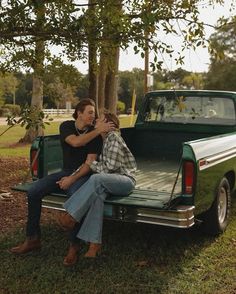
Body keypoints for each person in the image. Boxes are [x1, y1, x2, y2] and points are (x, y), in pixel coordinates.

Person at [10, 99, 114, 254]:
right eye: (90, 112)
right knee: (33, 192)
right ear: (79, 113)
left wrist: (72, 179)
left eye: (94, 113)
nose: (93, 116)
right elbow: (75, 142)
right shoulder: (66, 126)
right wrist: (98, 131)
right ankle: (32, 239)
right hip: (66, 170)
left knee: (76, 196)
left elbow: (90, 163)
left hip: (85, 174)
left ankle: (74, 244)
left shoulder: (95, 135)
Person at [58, 110, 137, 266]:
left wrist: (92, 164)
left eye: (99, 120)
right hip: (110, 181)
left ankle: (71, 215)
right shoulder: (104, 140)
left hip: (125, 181)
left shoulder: (113, 138)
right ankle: (94, 243)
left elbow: (111, 168)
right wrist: (88, 166)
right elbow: (102, 168)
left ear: (109, 125)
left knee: (96, 178)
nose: (95, 121)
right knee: (97, 196)